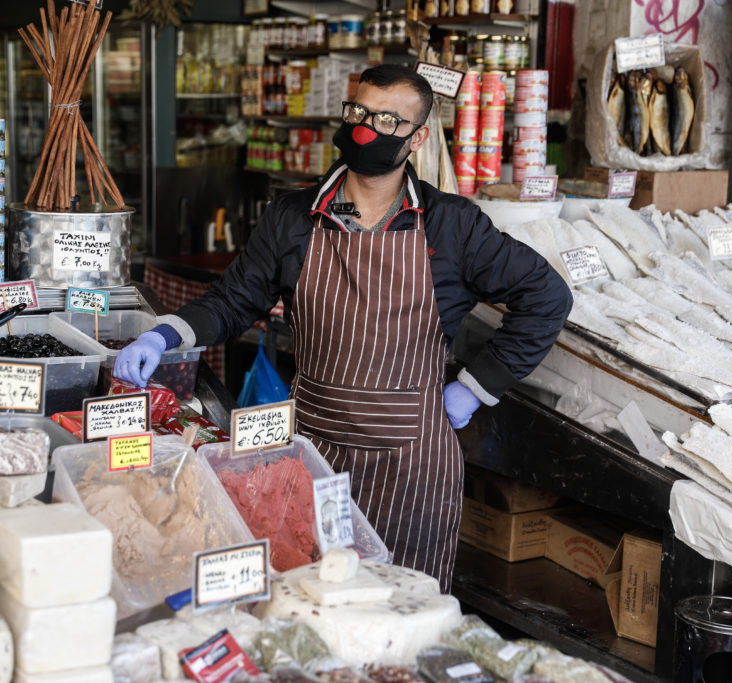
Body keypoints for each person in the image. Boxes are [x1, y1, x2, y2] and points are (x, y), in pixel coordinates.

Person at [115, 64, 572, 591]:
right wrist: (164, 334)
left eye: (386, 119)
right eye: (358, 111)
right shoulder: (292, 216)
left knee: (400, 612)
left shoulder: (452, 225)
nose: (365, 128)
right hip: (313, 451)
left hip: (413, 463)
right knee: (307, 599)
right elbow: (234, 300)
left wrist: (477, 387)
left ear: (419, 137)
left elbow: (547, 296)